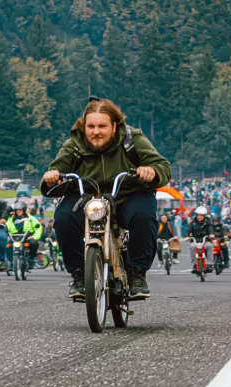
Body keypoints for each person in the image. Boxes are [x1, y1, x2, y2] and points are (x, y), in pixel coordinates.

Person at [41, 98, 170, 299]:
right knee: (63, 218)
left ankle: (137, 274)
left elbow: (162, 165)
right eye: (91, 126)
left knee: (145, 215)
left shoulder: (132, 139)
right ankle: (79, 277)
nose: (95, 132)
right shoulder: (74, 144)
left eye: (102, 126)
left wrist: (151, 171)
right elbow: (56, 170)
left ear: (114, 126)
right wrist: (51, 177)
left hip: (127, 195)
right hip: (86, 198)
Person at [6, 200, 42, 267]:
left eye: (20, 210)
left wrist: (34, 236)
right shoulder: (11, 219)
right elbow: (6, 227)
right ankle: (10, 262)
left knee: (34, 243)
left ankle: (30, 259)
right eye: (17, 210)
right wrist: (6, 230)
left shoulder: (30, 218)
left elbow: (38, 228)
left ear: (24, 210)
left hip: (27, 237)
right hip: (15, 237)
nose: (18, 211)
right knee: (8, 245)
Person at [187, 206, 214, 273]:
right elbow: (188, 230)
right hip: (195, 240)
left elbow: (211, 229)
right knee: (192, 246)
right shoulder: (192, 223)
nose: (200, 217)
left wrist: (211, 234)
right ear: (196, 215)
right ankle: (195, 264)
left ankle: (210, 264)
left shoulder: (208, 223)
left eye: (202, 215)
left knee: (210, 245)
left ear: (204, 216)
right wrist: (187, 236)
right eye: (199, 215)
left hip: (205, 240)